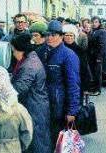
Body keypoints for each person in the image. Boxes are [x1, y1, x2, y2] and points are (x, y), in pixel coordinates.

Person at [43, 20, 80, 151]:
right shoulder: (47, 52)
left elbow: (73, 85)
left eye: (54, 35)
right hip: (48, 104)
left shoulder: (69, 55)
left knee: (60, 141)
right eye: (48, 35)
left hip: (60, 106)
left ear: (61, 36)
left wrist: (72, 111)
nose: (50, 38)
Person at [10, 33, 51, 153]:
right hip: (35, 104)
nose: (13, 54)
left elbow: (18, 89)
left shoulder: (29, 65)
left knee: (37, 142)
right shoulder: (30, 58)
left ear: (21, 51)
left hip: (35, 107)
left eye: (14, 51)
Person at [62, 24, 91, 101]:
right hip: (62, 84)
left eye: (71, 35)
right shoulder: (60, 49)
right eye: (66, 35)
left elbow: (84, 69)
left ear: (75, 37)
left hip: (77, 84)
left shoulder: (79, 50)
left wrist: (86, 87)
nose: (69, 37)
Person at [87, 16, 106, 95]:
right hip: (92, 56)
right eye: (93, 22)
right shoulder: (94, 31)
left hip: (97, 56)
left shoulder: (102, 31)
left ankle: (97, 90)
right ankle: (93, 89)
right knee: (93, 73)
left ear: (99, 23)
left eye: (96, 22)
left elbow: (103, 45)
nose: (94, 23)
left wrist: (99, 57)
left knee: (97, 73)